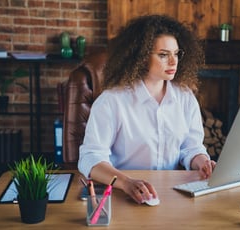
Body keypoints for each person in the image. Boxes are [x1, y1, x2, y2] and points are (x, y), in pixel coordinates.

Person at [78, 14, 216, 204]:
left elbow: (191, 147)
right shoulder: (111, 101)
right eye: (163, 55)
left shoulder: (185, 98)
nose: (173, 62)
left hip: (173, 194)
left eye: (176, 54)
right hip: (124, 194)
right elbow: (90, 158)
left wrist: (203, 162)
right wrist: (126, 183)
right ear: (141, 57)